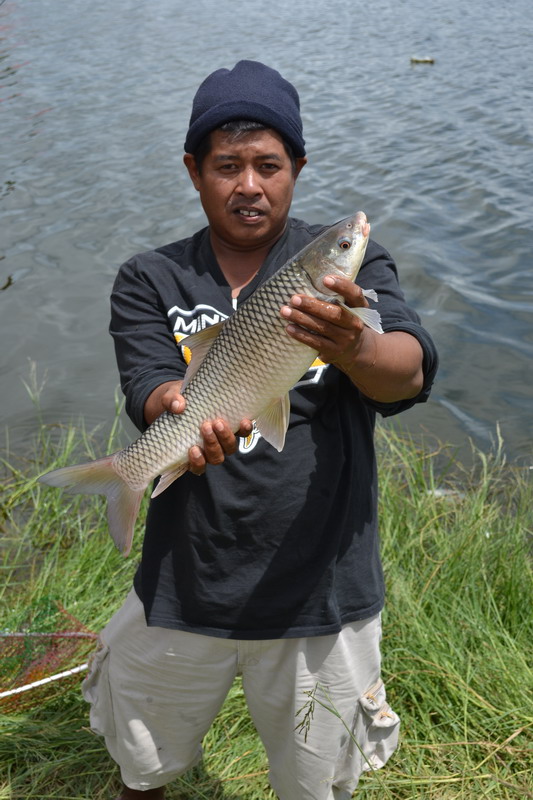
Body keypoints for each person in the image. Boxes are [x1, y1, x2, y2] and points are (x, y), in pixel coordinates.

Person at [82, 60, 438, 800]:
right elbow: (151, 388)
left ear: (296, 168)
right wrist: (175, 425)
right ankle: (128, 475)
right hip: (185, 579)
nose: (249, 184)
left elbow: (407, 372)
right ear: (194, 170)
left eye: (268, 166)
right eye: (227, 166)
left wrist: (354, 345)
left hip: (322, 586)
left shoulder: (349, 269)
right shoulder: (149, 277)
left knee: (316, 784)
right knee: (141, 765)